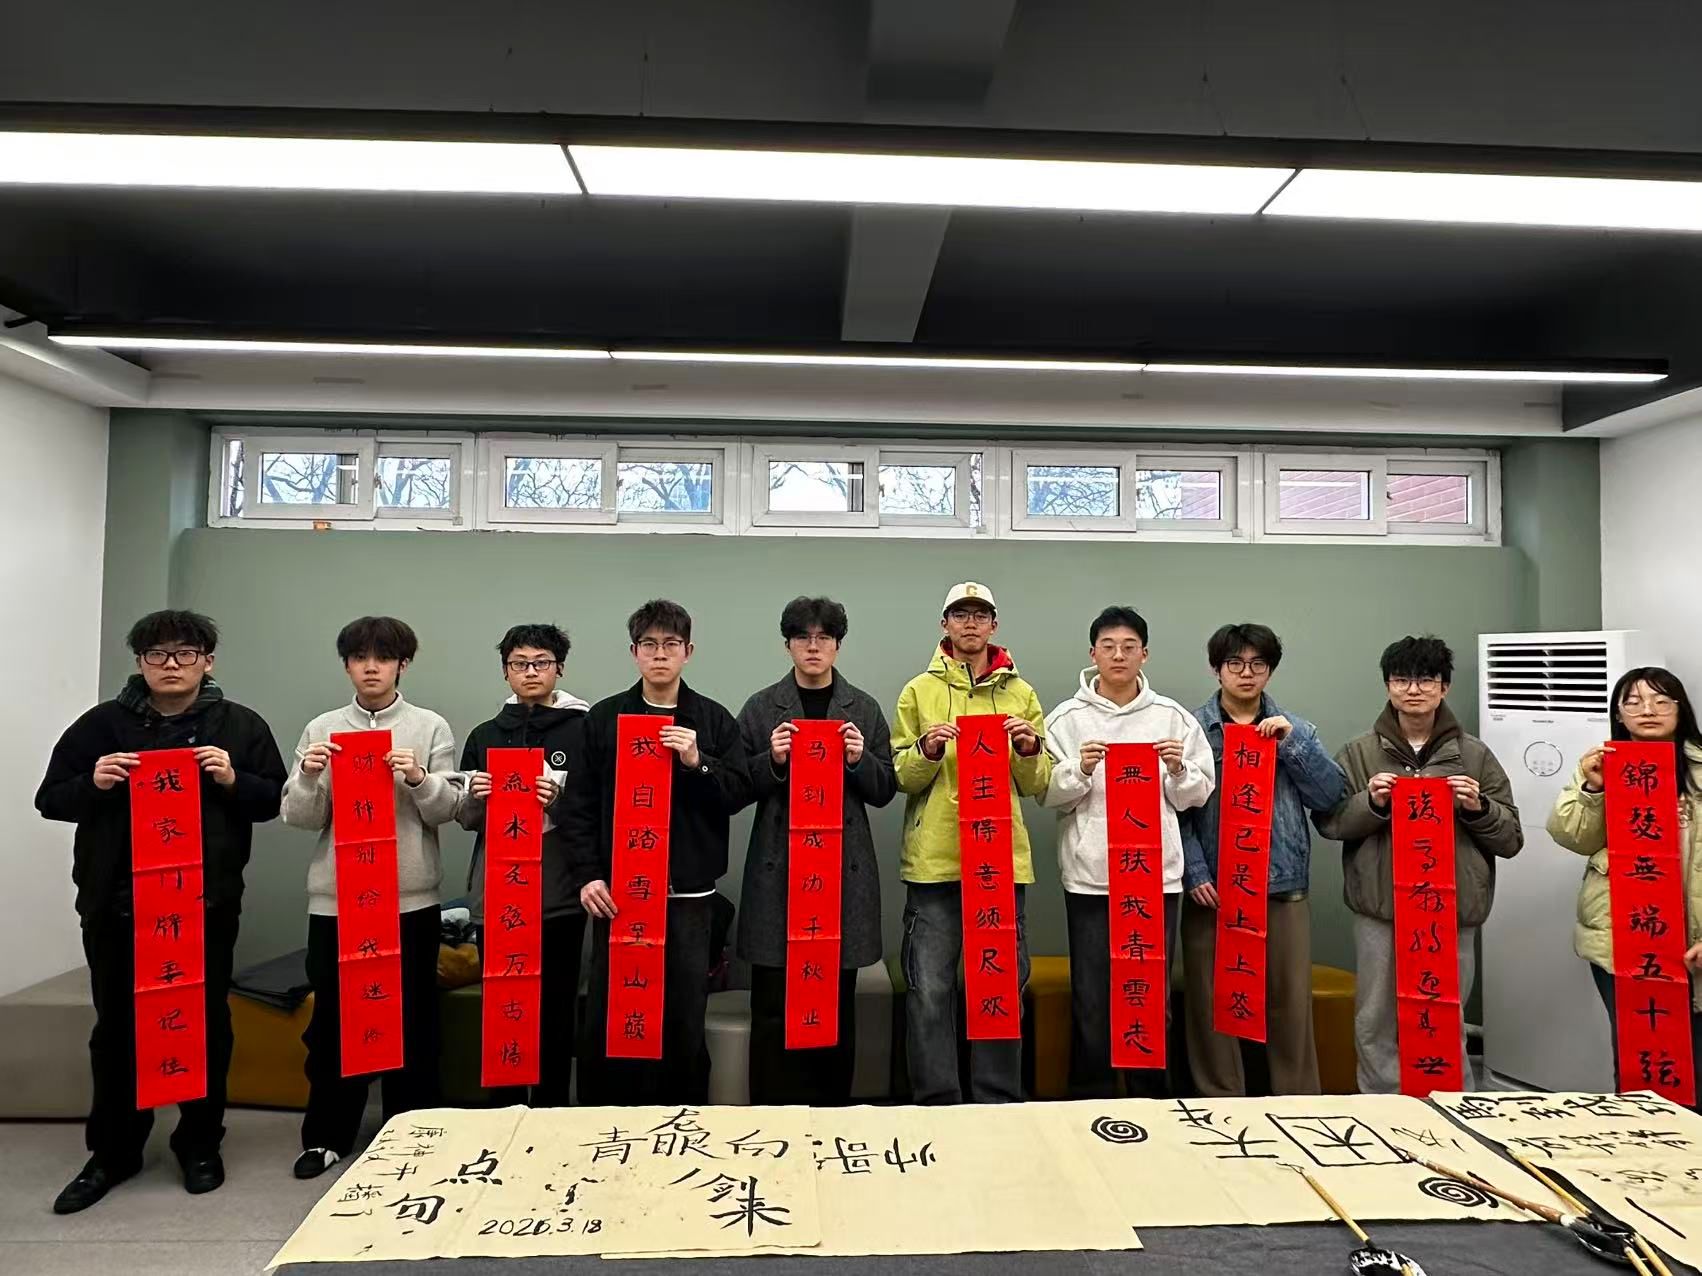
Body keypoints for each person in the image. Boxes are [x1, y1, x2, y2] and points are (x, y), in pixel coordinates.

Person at [35, 610, 286, 1213]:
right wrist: (93, 782)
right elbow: (50, 799)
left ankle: (199, 1143)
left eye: (184, 653)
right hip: (117, 905)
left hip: (203, 905)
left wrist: (232, 778)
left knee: (205, 1023)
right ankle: (113, 1151)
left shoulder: (239, 725)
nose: (171, 665)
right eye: (157, 654)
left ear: (208, 661)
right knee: (116, 1029)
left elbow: (272, 800)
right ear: (140, 662)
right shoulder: (101, 725)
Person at [281, 616, 461, 1178]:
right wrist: (308, 776)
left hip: (409, 900)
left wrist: (420, 779)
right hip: (338, 903)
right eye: (360, 658)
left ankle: (413, 1130)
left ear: (402, 665)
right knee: (333, 1021)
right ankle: (327, 1134)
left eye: (383, 658)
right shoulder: (322, 728)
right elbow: (299, 816)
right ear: (347, 666)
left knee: (413, 1017)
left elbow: (449, 810)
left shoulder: (429, 726)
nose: (371, 667)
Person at [1314, 634, 1523, 1092]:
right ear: (1387, 686)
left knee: (1445, 1013)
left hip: (1450, 910)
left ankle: (1453, 1105)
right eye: (1402, 680)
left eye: (1426, 680)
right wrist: (1371, 802)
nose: (1414, 690)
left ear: (1444, 687)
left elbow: (1511, 838)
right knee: (1375, 1019)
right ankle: (1383, 1107)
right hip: (1382, 910)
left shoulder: (1474, 755)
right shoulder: (1358, 752)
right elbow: (1329, 821)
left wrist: (1478, 808)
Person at [563, 599, 748, 1105]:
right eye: (649, 645)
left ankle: (683, 1120)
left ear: (689, 652)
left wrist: (697, 761)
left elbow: (738, 792)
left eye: (671, 644)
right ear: (634, 653)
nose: (660, 654)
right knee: (616, 1014)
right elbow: (578, 806)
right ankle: (609, 1121)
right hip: (620, 894)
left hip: (689, 896)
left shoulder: (711, 719)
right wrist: (588, 875)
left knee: (683, 1017)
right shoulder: (604, 719)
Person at [1043, 605, 1214, 1098]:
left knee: (1149, 996)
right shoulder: (1066, 719)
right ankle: (1090, 1099)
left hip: (1155, 880)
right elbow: (1046, 792)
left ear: (1145, 654)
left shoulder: (1173, 718)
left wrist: (1179, 769)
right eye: (1108, 647)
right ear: (1092, 653)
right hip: (1091, 879)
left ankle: (1151, 1100)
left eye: (1129, 647)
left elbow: (1198, 794)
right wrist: (1079, 769)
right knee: (1092, 997)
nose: (1118, 655)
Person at [892, 581, 1052, 1104]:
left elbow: (1038, 782)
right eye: (960, 614)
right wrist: (926, 750)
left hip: (1000, 863)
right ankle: (936, 1101)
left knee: (999, 986)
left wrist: (1027, 748)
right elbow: (901, 777)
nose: (970, 623)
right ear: (945, 624)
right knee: (930, 991)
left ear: (994, 624)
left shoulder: (1020, 693)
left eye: (980, 615)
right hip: (935, 864)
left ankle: (998, 1099)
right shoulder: (918, 691)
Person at [734, 596, 897, 1105]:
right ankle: (771, 1113)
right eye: (802, 637)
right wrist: (771, 759)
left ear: (837, 646)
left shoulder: (862, 708)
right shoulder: (762, 707)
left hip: (840, 877)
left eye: (823, 637)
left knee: (835, 1002)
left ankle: (832, 1113)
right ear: (787, 645)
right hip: (779, 876)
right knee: (772, 1004)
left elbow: (885, 788)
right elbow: (733, 787)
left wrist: (859, 759)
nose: (813, 646)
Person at [1179, 622, 1346, 1097]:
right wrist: (1195, 871)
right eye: (1235, 663)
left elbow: (1331, 797)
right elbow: (1174, 811)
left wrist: (1292, 745)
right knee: (1211, 1005)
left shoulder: (1296, 728)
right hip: (1213, 889)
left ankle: (1296, 1102)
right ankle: (1219, 1098)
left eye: (1257, 664)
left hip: (1280, 887)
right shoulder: (1192, 730)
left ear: (1270, 671)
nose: (1246, 673)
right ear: (1216, 669)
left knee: (1288, 1003)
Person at [1547, 667, 1702, 1092]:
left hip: (1692, 942)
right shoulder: (1604, 763)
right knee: (1640, 1057)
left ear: (1681, 709)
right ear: (1618, 713)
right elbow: (1572, 835)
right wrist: (1592, 789)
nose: (1647, 710)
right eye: (1633, 702)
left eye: (1661, 701)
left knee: (1696, 1062)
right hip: (1626, 938)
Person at [458, 623, 590, 1107]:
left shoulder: (584, 729)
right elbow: (465, 819)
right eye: (519, 664)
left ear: (560, 668)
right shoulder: (486, 735)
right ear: (505, 672)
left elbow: (599, 807)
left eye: (541, 663)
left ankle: (551, 1110)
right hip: (498, 894)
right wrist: (475, 797)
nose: (530, 672)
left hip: (560, 893)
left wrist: (558, 799)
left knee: (556, 1008)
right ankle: (503, 1112)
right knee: (504, 1006)